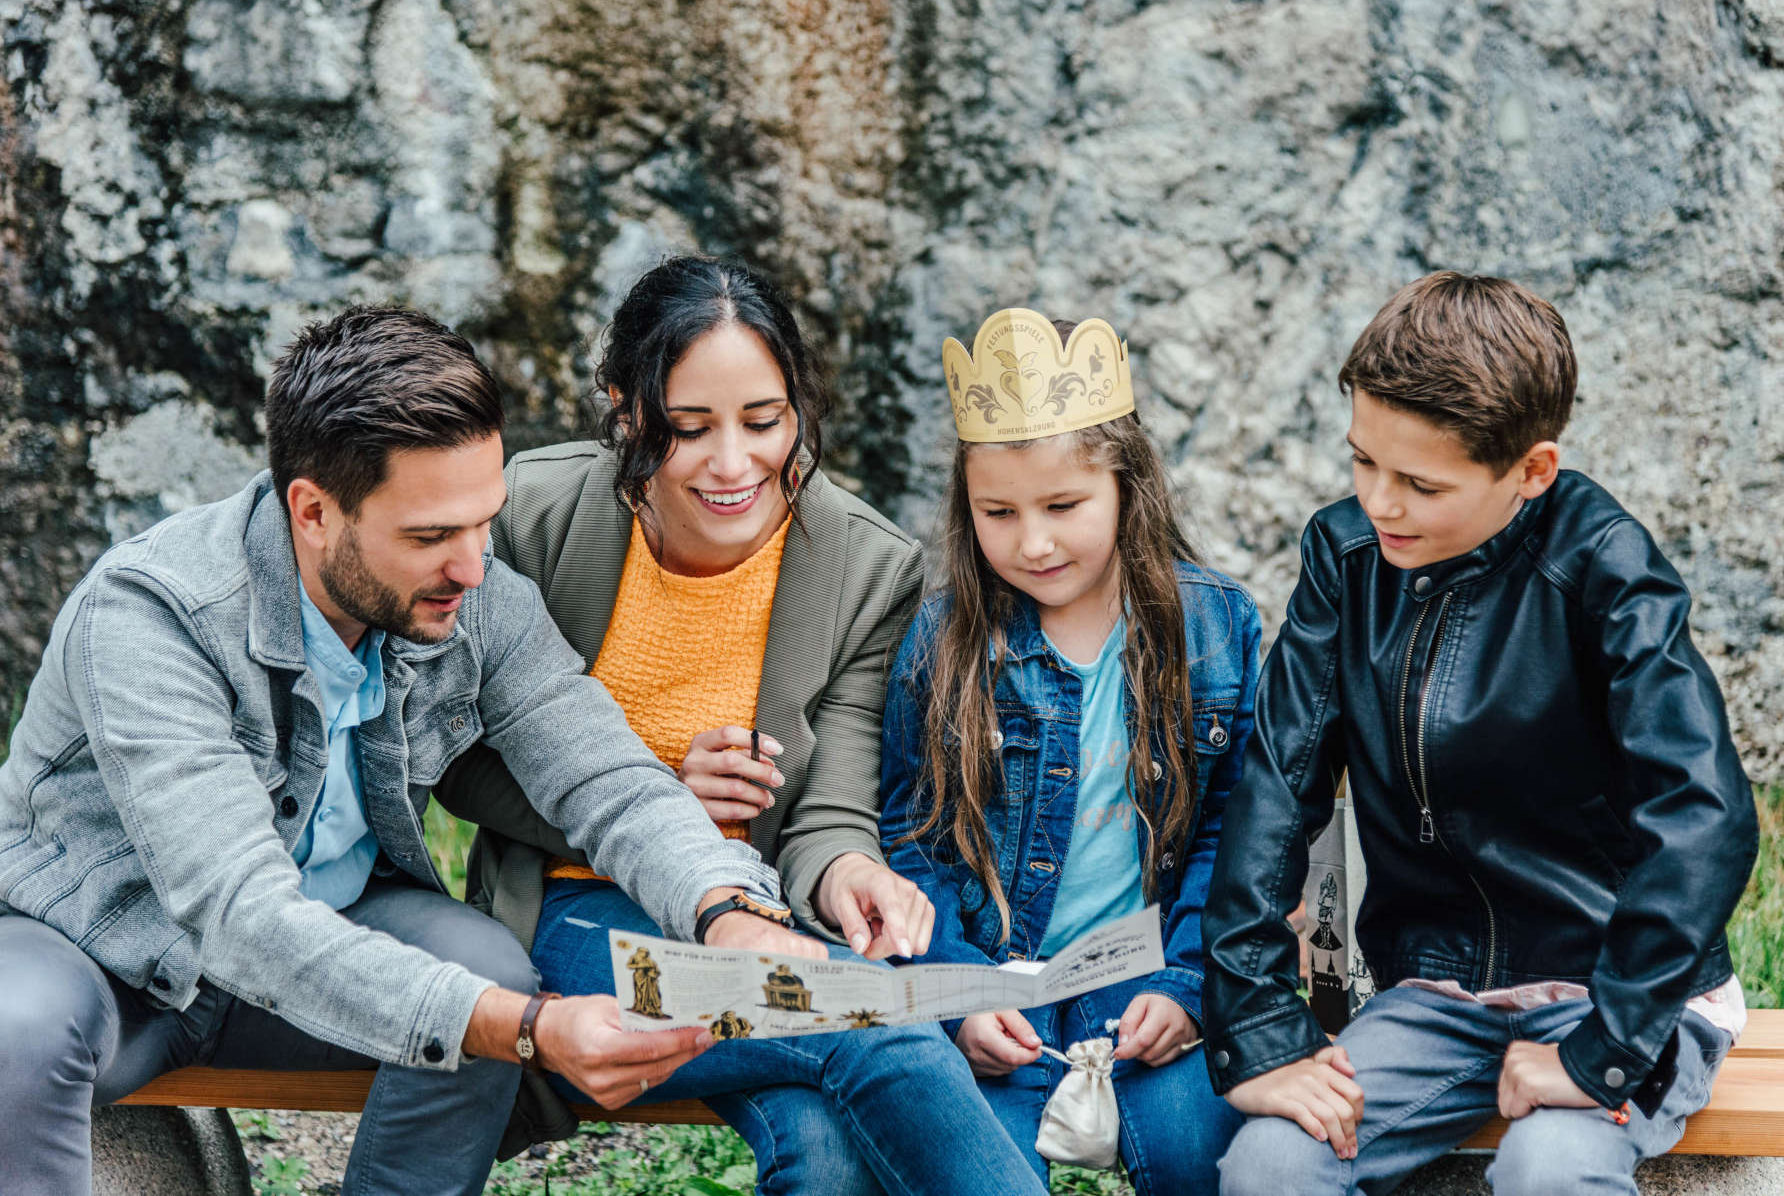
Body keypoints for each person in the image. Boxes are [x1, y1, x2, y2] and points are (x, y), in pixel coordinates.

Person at [0, 306, 826, 1196]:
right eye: (431, 536)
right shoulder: (153, 613)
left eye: (484, 522)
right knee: (14, 1023)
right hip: (105, 956)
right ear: (312, 511)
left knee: (483, 970)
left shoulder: (476, 598)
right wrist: (528, 1028)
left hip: (331, 932)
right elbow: (236, 911)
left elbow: (610, 780)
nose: (473, 566)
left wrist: (729, 909)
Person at [433, 256, 1047, 1195]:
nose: (733, 464)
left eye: (764, 422)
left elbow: (831, 806)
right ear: (626, 410)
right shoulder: (537, 516)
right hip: (573, 911)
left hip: (768, 918)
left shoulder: (862, 565)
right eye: (687, 429)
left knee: (829, 1152)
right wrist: (660, 789)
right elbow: (455, 759)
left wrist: (849, 872)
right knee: (881, 1030)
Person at [1202, 272, 1760, 1195]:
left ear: (1532, 471)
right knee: (1271, 1164)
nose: (1379, 504)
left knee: (1552, 1168)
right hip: (1436, 994)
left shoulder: (1604, 566)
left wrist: (1602, 1051)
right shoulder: (1345, 560)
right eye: (1362, 462)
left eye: (1420, 483)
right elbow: (1276, 782)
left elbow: (1708, 815)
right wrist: (1261, 1025)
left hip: (1621, 990)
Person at [878, 307, 1260, 1193]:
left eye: (1064, 506)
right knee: (975, 1171)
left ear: (1129, 487)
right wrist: (959, 995)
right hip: (996, 992)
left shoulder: (1216, 628)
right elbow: (912, 844)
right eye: (998, 513)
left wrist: (1192, 983)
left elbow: (1235, 836)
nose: (1034, 542)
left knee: (1200, 1157)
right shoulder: (942, 643)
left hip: (1153, 982)